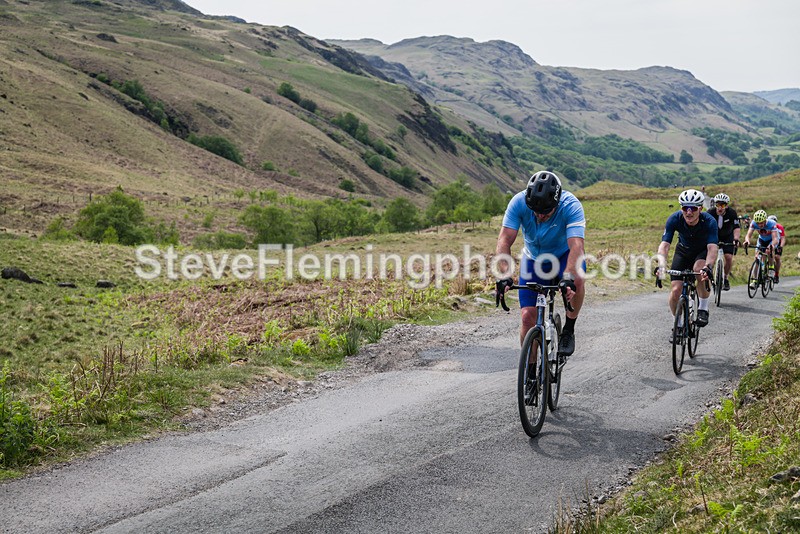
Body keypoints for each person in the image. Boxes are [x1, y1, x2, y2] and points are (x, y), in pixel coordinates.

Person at [495, 170, 586, 357]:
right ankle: (530, 376)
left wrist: (568, 277)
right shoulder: (518, 202)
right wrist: (504, 275)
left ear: (557, 202)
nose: (539, 216)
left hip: (564, 256)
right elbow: (504, 240)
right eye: (535, 211)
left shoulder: (571, 205)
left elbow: (576, 246)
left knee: (577, 280)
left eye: (545, 212)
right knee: (528, 317)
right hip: (533, 259)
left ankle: (569, 329)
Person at [656, 189, 718, 340]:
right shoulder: (675, 219)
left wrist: (708, 266)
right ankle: (677, 325)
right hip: (683, 252)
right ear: (681, 208)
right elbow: (664, 245)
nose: (689, 212)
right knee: (676, 290)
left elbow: (712, 248)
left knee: (699, 270)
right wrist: (661, 265)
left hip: (702, 252)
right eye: (685, 208)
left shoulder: (709, 221)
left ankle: (703, 308)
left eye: (693, 208)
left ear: (700, 209)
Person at [706, 193, 741, 291]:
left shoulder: (732, 213)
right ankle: (709, 277)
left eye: (723, 205)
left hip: (727, 237)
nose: (720, 208)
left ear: (727, 205)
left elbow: (736, 228)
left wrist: (736, 239)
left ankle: (725, 278)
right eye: (718, 205)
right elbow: (705, 227)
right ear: (715, 205)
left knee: (729, 258)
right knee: (710, 257)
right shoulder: (710, 212)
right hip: (714, 236)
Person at [743, 210, 779, 287]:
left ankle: (771, 267)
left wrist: (772, 245)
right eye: (758, 223)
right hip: (761, 240)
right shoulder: (753, 223)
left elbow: (775, 239)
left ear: (765, 220)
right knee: (757, 259)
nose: (760, 224)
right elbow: (748, 235)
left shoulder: (772, 224)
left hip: (771, 240)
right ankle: (754, 281)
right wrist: (747, 241)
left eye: (762, 222)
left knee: (769, 250)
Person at [767, 215, 786, 284]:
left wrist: (781, 246)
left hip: (778, 243)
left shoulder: (780, 227)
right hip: (769, 242)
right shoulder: (767, 226)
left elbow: (783, 238)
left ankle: (776, 275)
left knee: (777, 257)